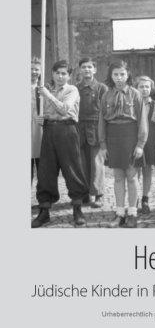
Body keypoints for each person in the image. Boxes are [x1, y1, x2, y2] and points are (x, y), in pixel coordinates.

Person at [31, 60, 89, 228]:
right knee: (46, 171)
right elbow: (44, 114)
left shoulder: (72, 90)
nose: (60, 76)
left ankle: (77, 208)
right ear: (53, 74)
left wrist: (48, 96)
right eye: (57, 73)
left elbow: (64, 109)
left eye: (64, 73)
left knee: (72, 170)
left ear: (69, 76)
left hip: (67, 130)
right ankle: (44, 211)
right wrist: (40, 118)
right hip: (49, 132)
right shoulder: (44, 90)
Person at [98, 60, 148, 228]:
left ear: (128, 75)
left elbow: (142, 120)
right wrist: (103, 145)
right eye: (115, 74)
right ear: (111, 76)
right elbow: (101, 122)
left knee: (132, 176)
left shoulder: (136, 94)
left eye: (122, 74)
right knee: (118, 177)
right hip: (113, 137)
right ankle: (119, 213)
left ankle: (132, 213)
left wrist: (140, 144)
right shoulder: (106, 95)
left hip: (130, 136)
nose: (119, 78)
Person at [77, 57, 108, 208]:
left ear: (95, 70)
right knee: (82, 162)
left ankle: (98, 195)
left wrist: (104, 132)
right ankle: (84, 194)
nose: (86, 70)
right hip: (79, 128)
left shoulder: (102, 88)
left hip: (96, 128)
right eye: (83, 67)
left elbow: (106, 111)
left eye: (89, 67)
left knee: (97, 163)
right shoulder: (75, 88)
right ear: (80, 70)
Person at [135, 76, 155, 214]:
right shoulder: (132, 102)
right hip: (136, 140)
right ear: (136, 88)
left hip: (150, 141)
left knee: (147, 170)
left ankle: (145, 199)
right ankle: (134, 199)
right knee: (135, 171)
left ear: (151, 88)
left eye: (147, 87)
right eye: (141, 86)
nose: (144, 89)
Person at [31, 57, 42, 183]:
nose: (34, 72)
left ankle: (43, 197)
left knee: (42, 166)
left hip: (40, 130)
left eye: (36, 69)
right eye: (31, 69)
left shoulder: (43, 88)